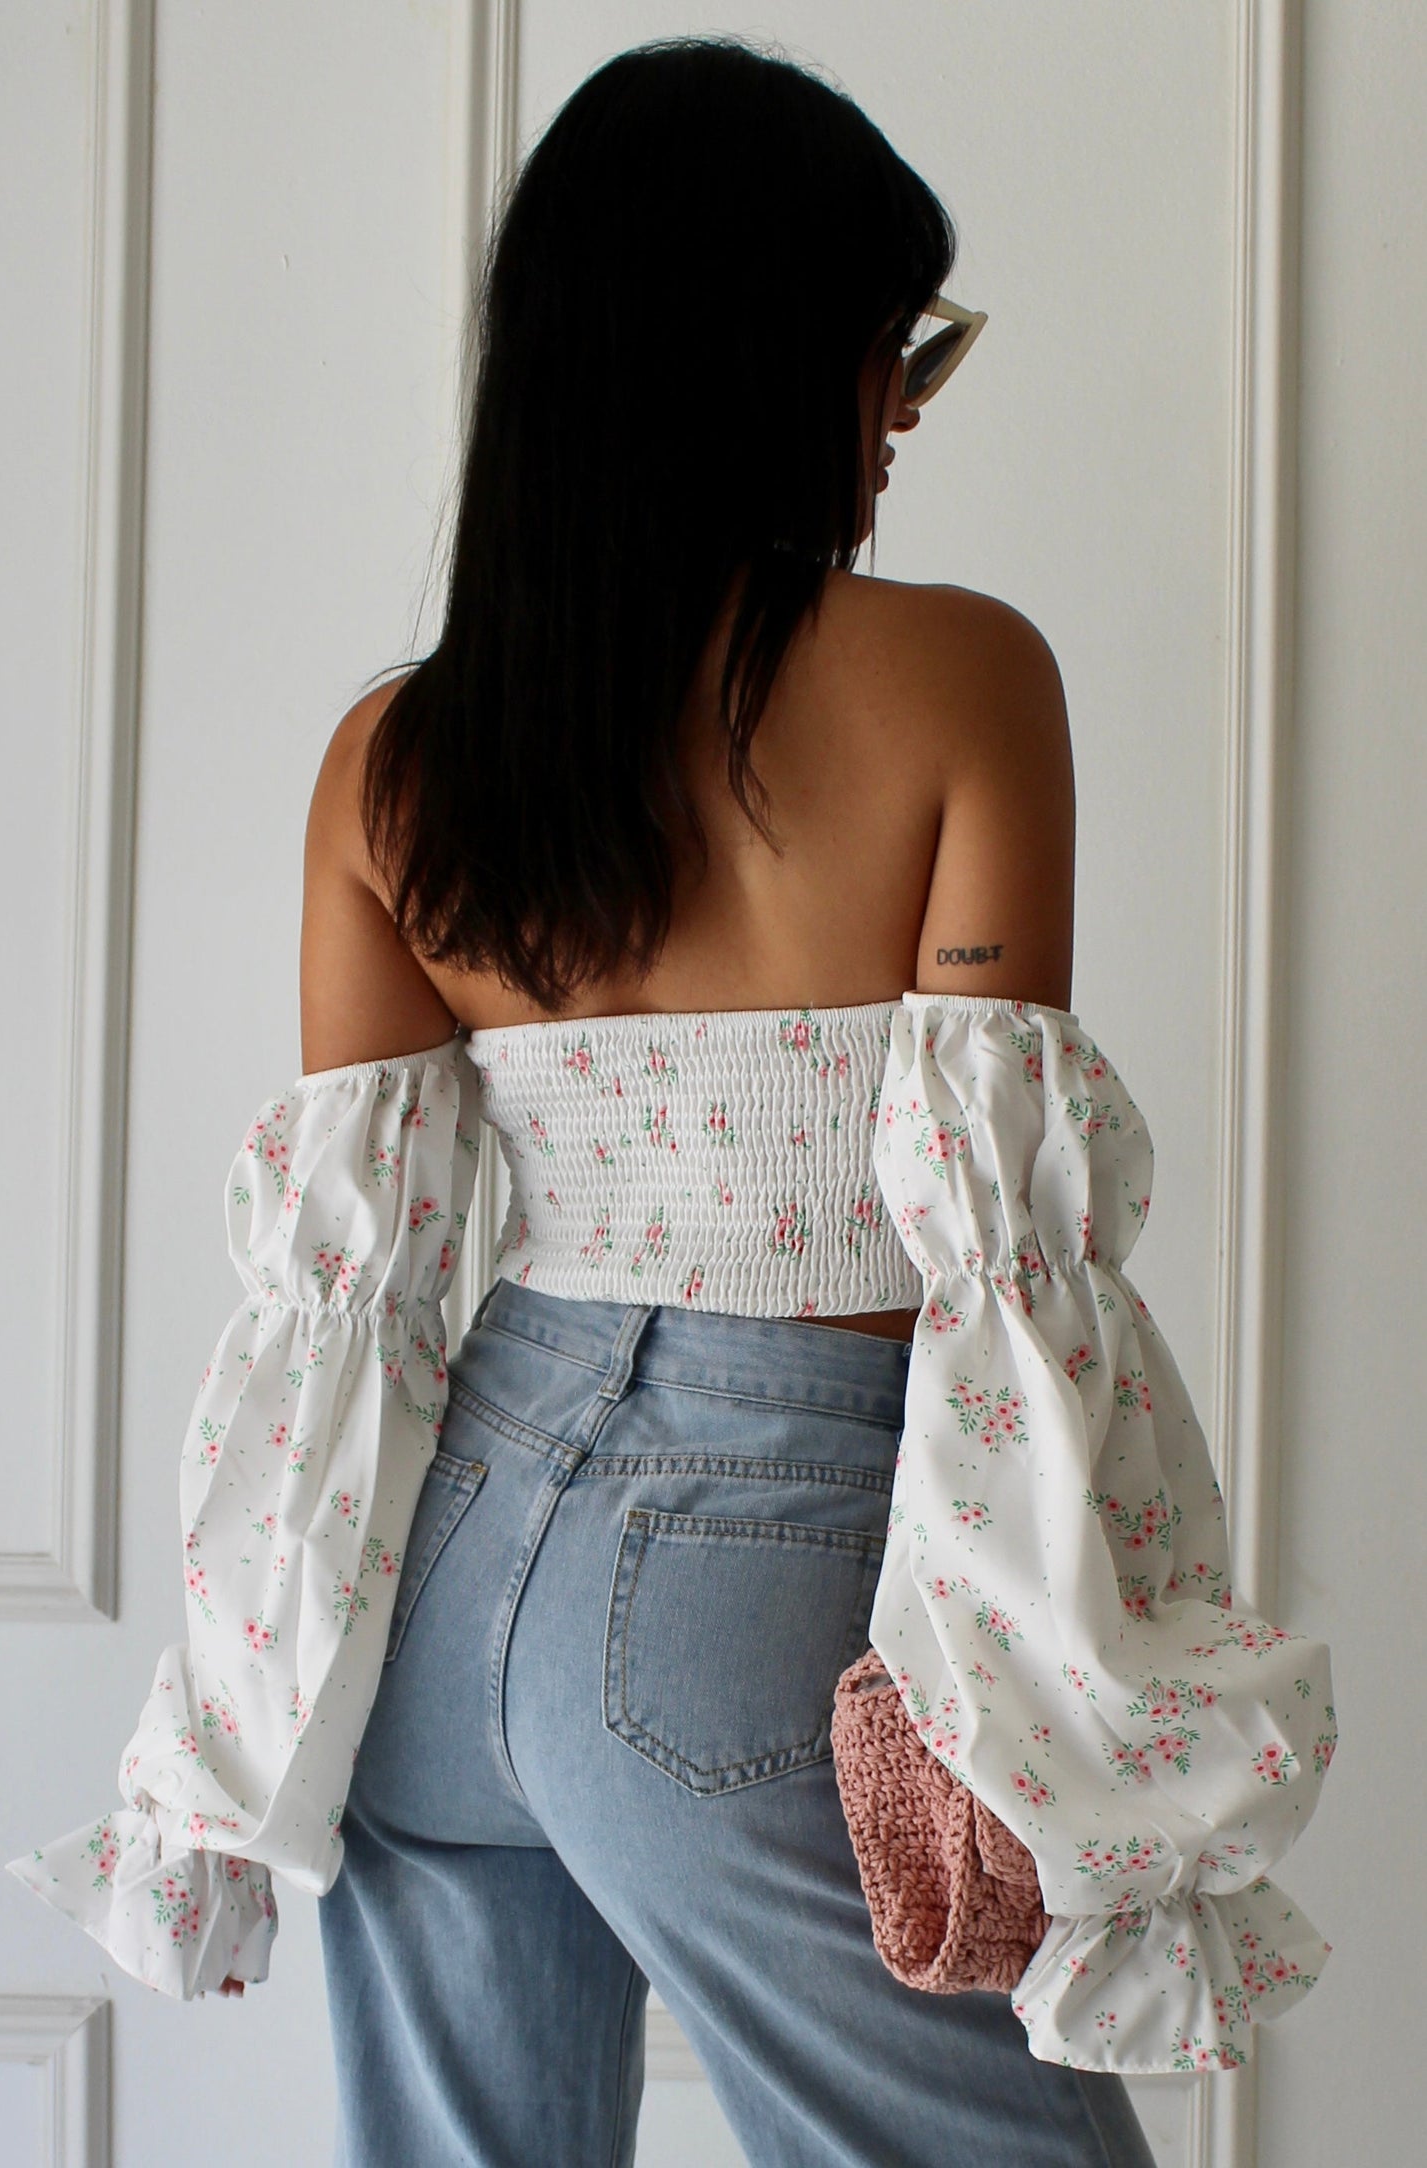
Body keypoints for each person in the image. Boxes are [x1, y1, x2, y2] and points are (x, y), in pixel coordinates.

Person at [291, 34, 1159, 2164]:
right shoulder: (959, 676)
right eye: (889, 350)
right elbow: (998, 1255)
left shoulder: (390, 764)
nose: (901, 413)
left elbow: (344, 1291)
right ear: (764, 352)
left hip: (438, 1576)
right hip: (753, 1577)